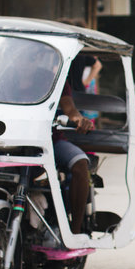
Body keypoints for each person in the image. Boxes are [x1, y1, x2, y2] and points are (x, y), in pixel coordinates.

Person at [54, 76, 95, 237]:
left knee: (80, 162)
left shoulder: (53, 77)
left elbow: (69, 109)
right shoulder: (8, 74)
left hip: (50, 140)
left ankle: (75, 231)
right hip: (12, 140)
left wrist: (79, 119)